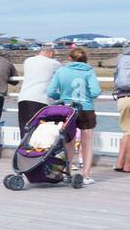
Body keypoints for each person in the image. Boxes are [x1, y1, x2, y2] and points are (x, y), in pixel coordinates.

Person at [47, 47, 102, 184]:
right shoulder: (89, 71)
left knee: (68, 142)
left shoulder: (62, 70)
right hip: (86, 109)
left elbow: (50, 91)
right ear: (85, 59)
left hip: (68, 109)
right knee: (87, 144)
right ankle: (86, 176)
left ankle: (67, 173)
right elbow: (96, 92)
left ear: (70, 58)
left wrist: (62, 97)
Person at [17, 43, 61, 132]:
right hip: (40, 99)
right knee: (39, 128)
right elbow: (60, 77)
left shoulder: (28, 60)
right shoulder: (54, 63)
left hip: (23, 97)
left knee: (25, 126)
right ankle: (36, 145)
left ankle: (24, 145)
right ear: (51, 53)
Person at [115, 44, 130, 173]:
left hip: (122, 97)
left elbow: (116, 78)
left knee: (126, 132)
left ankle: (120, 162)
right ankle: (127, 165)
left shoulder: (121, 58)